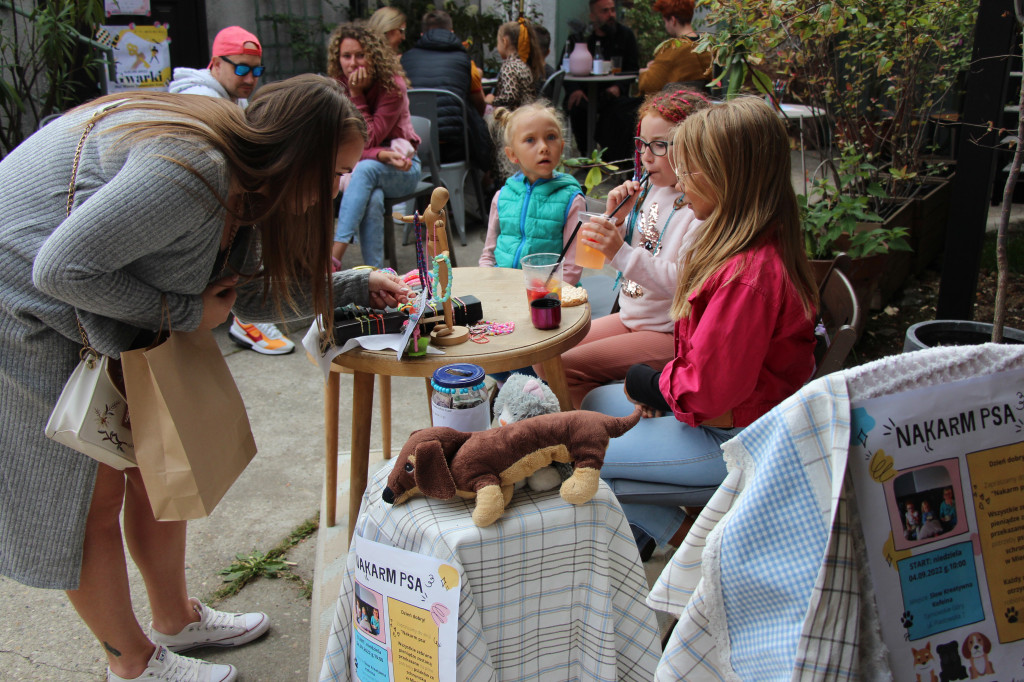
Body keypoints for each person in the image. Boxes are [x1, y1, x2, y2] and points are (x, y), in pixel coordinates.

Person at [0, 74, 410, 682]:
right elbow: (59, 268)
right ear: (295, 158)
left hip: (86, 305)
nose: (338, 187)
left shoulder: (245, 174)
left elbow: (238, 293)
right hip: (25, 305)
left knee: (154, 470)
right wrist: (185, 314)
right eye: (332, 174)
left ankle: (174, 620)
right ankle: (132, 665)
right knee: (88, 499)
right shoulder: (196, 170)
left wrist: (348, 284)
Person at [581, 97, 819, 560]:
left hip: (738, 437)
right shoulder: (736, 241)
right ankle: (675, 532)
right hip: (723, 414)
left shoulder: (748, 277)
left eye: (690, 172)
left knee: (585, 451)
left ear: (728, 177)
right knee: (591, 404)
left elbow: (708, 392)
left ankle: (704, 547)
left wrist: (656, 387)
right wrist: (662, 393)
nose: (681, 185)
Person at [536, 89, 711, 407]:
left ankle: (594, 439)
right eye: (643, 144)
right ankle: (601, 421)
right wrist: (619, 218)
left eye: (659, 145)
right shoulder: (655, 190)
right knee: (545, 355)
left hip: (667, 334)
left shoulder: (698, 207)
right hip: (633, 317)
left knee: (559, 365)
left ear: (693, 145)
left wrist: (620, 250)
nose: (646, 157)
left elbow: (682, 283)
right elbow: (640, 249)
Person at [169, 26, 295, 355]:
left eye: (256, 70)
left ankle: (249, 310)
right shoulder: (203, 100)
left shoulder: (231, 99)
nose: (250, 78)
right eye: (241, 68)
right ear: (215, 64)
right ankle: (247, 318)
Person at [328, 22, 422, 269]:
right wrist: (379, 154)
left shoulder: (392, 86)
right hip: (363, 168)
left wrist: (357, 94)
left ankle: (334, 256)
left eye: (360, 55)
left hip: (404, 167)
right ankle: (376, 276)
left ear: (374, 56)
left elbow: (365, 138)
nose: (353, 63)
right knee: (373, 198)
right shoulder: (336, 87)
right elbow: (345, 146)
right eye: (346, 56)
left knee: (366, 169)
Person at [479, 102, 586, 286]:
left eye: (551, 137)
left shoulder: (571, 199)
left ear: (561, 148)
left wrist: (542, 297)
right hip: (504, 290)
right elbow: (488, 254)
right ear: (513, 154)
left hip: (551, 296)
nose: (544, 147)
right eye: (530, 140)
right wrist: (488, 284)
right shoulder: (502, 197)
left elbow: (572, 268)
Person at [400, 9, 493, 168]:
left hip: (413, 145)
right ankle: (484, 182)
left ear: (422, 35)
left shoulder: (405, 60)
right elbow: (479, 105)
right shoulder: (465, 60)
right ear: (451, 32)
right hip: (453, 147)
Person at [564, 0, 640, 160]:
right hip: (585, 94)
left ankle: (612, 160)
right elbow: (563, 68)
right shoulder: (581, 38)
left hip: (613, 96)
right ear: (593, 16)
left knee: (619, 114)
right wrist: (574, 90)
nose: (611, 15)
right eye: (605, 11)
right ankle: (586, 157)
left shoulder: (625, 36)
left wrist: (619, 87)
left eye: (612, 10)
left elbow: (633, 68)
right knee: (576, 108)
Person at [638, 0, 712, 95]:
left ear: (673, 20)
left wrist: (643, 72)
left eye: (665, 21)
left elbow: (648, 84)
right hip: (702, 104)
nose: (665, 25)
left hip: (675, 105)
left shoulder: (673, 48)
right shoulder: (704, 46)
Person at [486, 20, 546, 110]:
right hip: (528, 114)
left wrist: (492, 100)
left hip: (515, 118)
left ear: (504, 42)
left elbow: (510, 97)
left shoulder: (509, 66)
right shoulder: (524, 64)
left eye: (498, 43)